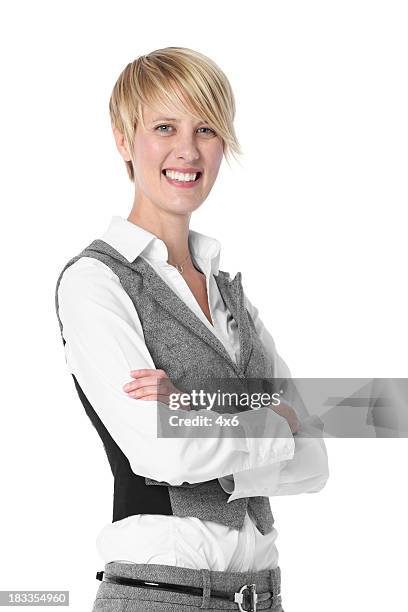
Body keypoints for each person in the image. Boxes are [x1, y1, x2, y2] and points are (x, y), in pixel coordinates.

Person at [55, 47, 329, 612]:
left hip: (263, 596)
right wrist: (272, 420)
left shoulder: (232, 294)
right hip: (166, 596)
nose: (188, 150)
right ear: (124, 139)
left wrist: (190, 405)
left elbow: (316, 461)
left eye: (206, 128)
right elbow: (164, 455)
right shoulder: (95, 282)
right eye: (164, 127)